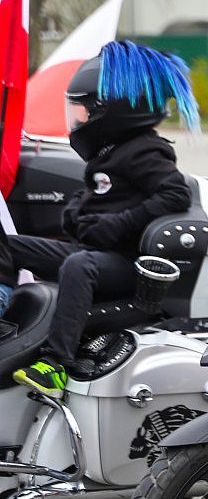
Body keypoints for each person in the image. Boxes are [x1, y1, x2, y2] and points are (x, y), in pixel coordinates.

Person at [5, 40, 197, 397]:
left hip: (125, 263)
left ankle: (54, 365)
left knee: (79, 265)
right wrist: (77, 213)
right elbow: (96, 196)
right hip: (91, 252)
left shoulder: (146, 149)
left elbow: (175, 194)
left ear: (117, 109)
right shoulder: (108, 154)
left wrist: (118, 223)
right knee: (8, 245)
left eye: (86, 111)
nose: (81, 119)